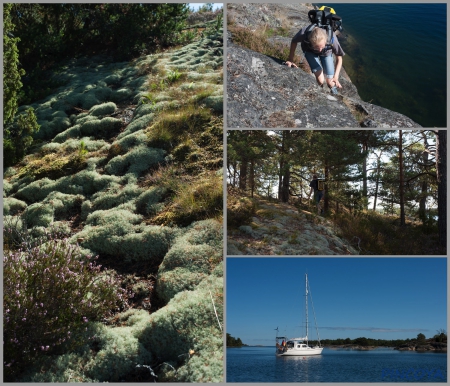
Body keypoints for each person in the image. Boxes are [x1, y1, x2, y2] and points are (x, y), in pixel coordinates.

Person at [285, 24, 345, 94]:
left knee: (331, 82)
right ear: (310, 41)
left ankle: (334, 94)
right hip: (309, 50)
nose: (319, 50)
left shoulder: (332, 38)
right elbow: (294, 41)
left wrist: (336, 77)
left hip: (326, 52)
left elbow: (339, 58)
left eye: (322, 46)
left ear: (326, 40)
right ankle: (321, 92)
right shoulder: (304, 33)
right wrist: (290, 59)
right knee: (320, 80)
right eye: (317, 47)